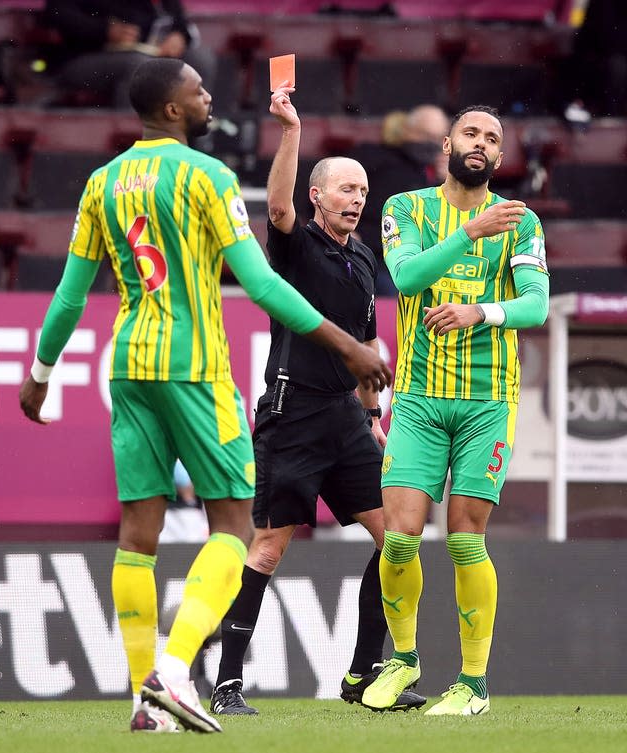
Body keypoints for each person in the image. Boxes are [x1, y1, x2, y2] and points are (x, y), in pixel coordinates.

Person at [19, 58, 391, 734]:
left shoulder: (101, 184)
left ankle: (143, 699)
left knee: (139, 535)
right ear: (170, 109)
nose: (208, 95)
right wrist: (349, 345)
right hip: (193, 366)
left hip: (128, 363)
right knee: (233, 526)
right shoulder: (208, 176)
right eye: (197, 88)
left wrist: (41, 371)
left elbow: (73, 293)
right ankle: (174, 667)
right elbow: (263, 284)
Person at [209, 82, 425, 717]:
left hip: (345, 420)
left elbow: (363, 343)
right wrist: (292, 132)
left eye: (362, 190)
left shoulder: (364, 258)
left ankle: (362, 675)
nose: (356, 198)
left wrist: (372, 416)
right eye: (345, 189)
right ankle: (226, 683)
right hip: (292, 412)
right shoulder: (296, 243)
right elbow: (275, 207)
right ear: (317, 195)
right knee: (270, 548)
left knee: (395, 541)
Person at [360, 105, 549, 716]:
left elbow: (536, 306)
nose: (481, 144)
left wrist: (482, 311)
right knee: (399, 538)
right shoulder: (405, 208)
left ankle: (473, 684)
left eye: (493, 140)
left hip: (489, 399)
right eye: (471, 133)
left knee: (467, 539)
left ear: (498, 158)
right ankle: (404, 659)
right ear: (447, 142)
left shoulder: (521, 223)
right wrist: (470, 232)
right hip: (418, 397)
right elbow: (409, 278)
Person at [349, 105, 449, 294]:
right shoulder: (370, 157)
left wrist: (447, 184)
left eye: (438, 138)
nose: (432, 143)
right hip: (367, 255)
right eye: (426, 135)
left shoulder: (436, 174)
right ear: (407, 130)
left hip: (412, 259)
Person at [43, 0, 217, 108]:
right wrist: (104, 31)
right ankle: (133, 149)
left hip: (147, 51)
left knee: (199, 60)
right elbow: (58, 14)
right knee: (140, 66)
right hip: (83, 57)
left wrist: (179, 36)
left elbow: (179, 19)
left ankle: (195, 148)